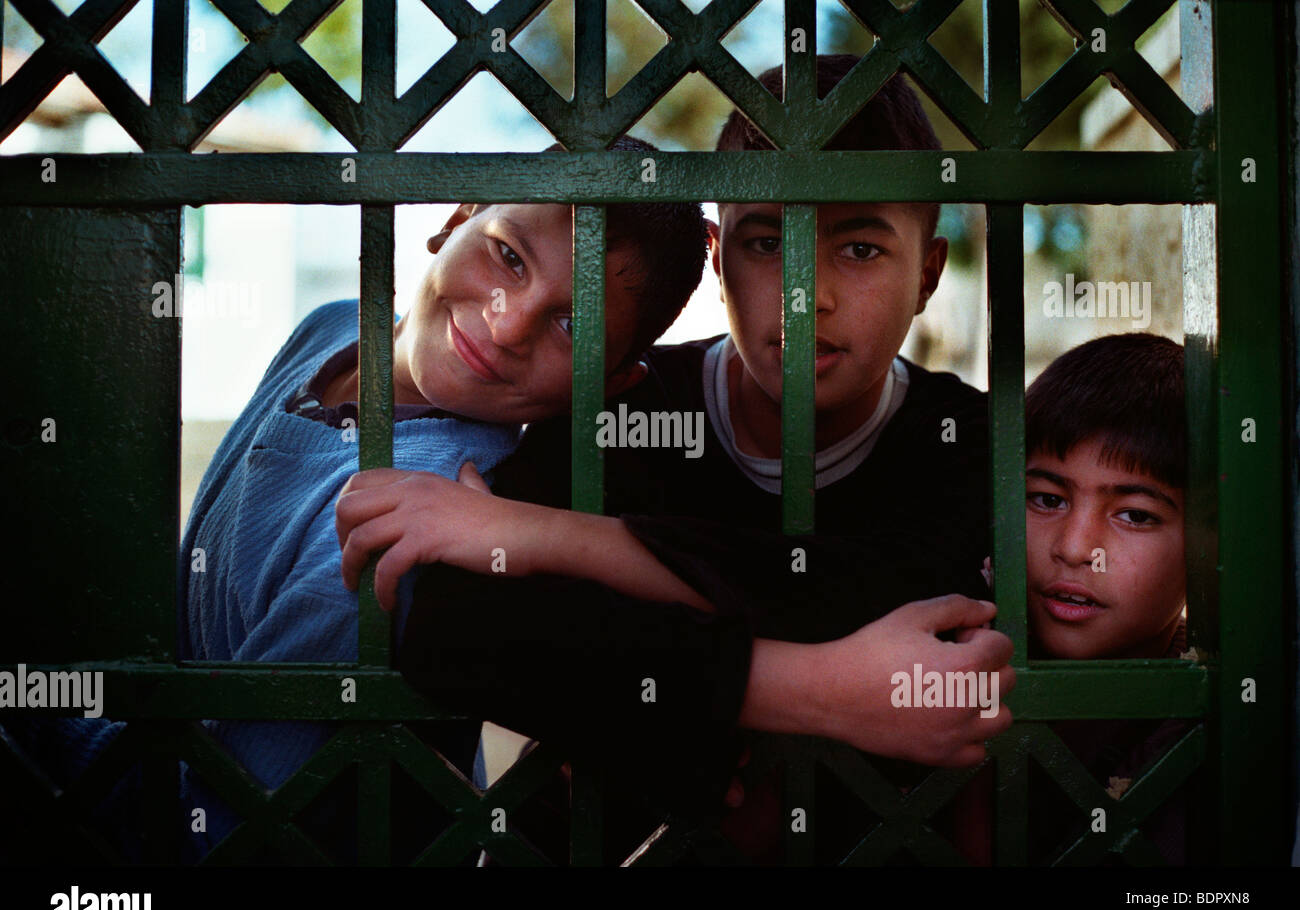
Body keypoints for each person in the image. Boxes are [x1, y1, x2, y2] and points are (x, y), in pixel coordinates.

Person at [335, 58, 1015, 863]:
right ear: (719, 258)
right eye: (767, 242)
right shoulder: (629, 407)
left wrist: (549, 540)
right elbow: (452, 627)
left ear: (928, 274)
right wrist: (811, 691)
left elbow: (891, 595)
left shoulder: (969, 439)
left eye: (860, 249)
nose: (808, 294)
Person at [4, 135, 710, 864]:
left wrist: (32, 707)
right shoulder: (334, 329)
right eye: (507, 255)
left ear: (611, 382)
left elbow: (219, 826)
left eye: (572, 325)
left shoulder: (412, 528)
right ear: (457, 216)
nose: (505, 324)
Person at [950, 333, 1193, 864]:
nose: (1076, 548)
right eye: (1046, 499)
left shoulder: (1200, 726)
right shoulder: (950, 653)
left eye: (1135, 514)